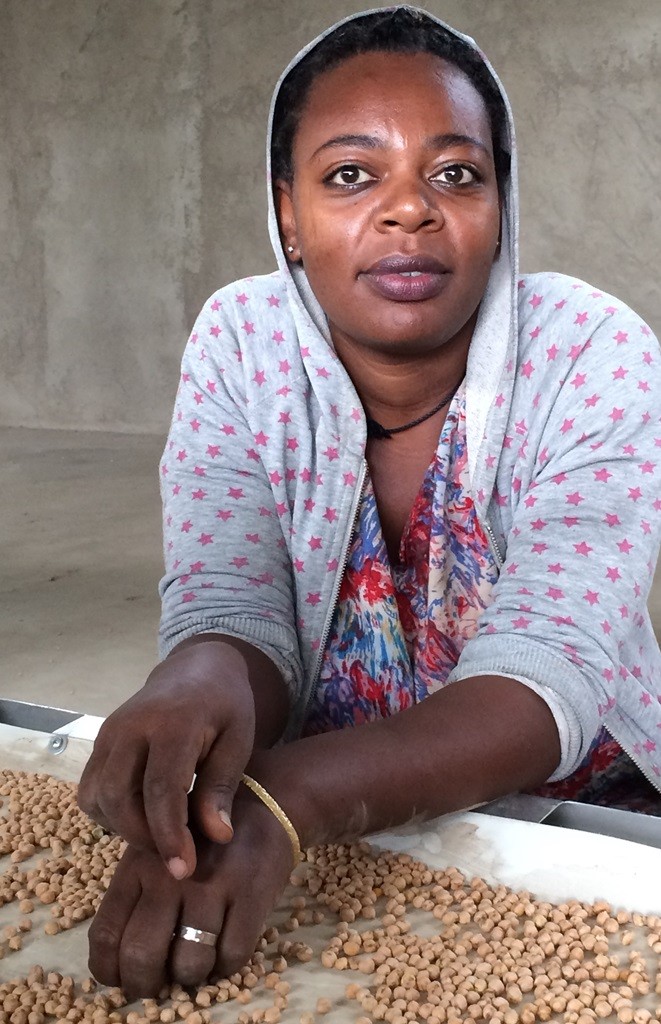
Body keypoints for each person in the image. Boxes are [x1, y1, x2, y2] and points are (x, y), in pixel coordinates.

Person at [78, 5, 661, 998]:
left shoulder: (589, 351)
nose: (409, 210)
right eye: (352, 174)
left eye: (455, 173)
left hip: (578, 817)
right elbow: (234, 601)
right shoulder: (240, 344)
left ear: (499, 206)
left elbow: (549, 668)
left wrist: (290, 796)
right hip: (324, 822)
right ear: (290, 217)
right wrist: (200, 675)